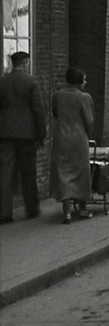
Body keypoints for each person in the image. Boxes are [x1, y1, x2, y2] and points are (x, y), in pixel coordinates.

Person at [0, 51, 46, 224]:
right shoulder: (31, 82)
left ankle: (4, 213)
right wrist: (41, 135)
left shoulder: (2, 82)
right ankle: (32, 208)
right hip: (27, 134)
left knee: (4, 173)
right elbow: (37, 110)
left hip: (5, 133)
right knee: (28, 172)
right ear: (25, 63)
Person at [51, 67, 95, 224]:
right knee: (81, 172)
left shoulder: (57, 96)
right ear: (79, 82)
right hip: (78, 138)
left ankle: (67, 213)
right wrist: (89, 134)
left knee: (63, 174)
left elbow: (55, 114)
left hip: (61, 139)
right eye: (84, 80)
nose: (85, 82)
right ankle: (83, 210)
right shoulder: (84, 97)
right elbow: (89, 121)